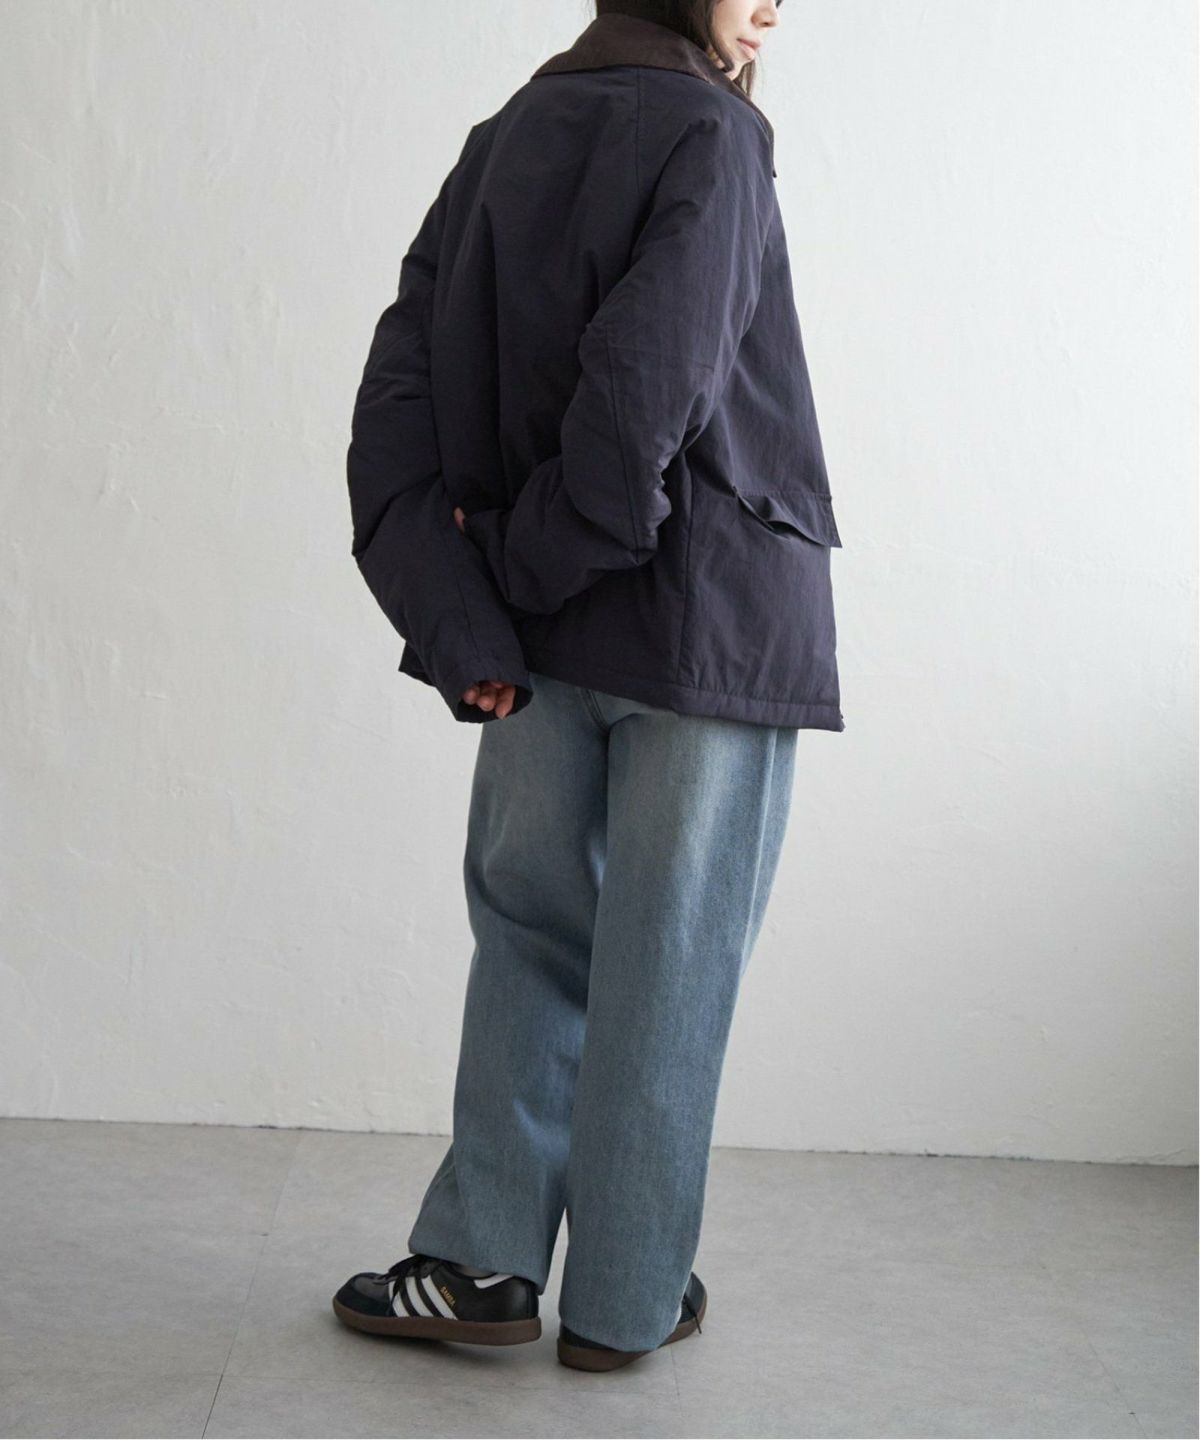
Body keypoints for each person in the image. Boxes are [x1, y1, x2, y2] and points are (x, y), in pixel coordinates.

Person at [334, 0, 844, 1373]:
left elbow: (394, 411)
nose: (780, 1)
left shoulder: (501, 137)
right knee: (669, 957)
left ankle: (479, 1263)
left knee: (531, 931)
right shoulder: (714, 136)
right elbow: (644, 396)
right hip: (705, 630)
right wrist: (519, 581)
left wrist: (476, 615)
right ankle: (623, 1299)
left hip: (539, 635)